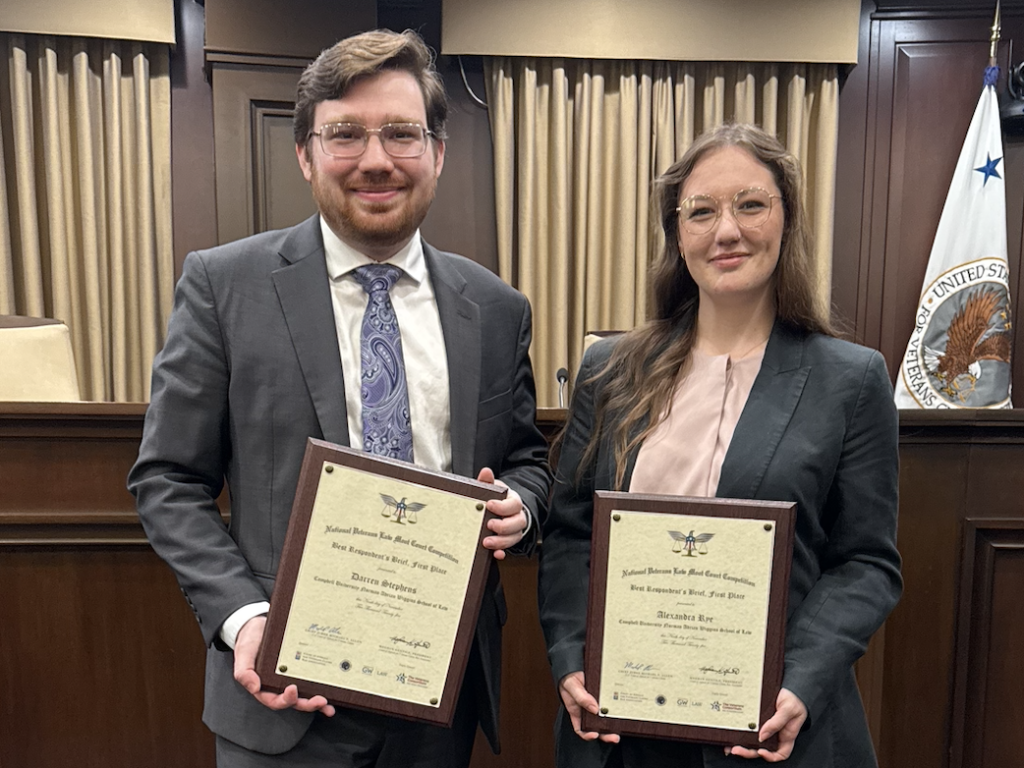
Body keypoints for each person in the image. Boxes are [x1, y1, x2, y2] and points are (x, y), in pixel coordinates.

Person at [129, 29, 551, 768]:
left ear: (438, 152)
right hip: (281, 696)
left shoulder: (495, 306)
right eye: (346, 134)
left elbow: (525, 458)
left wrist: (521, 504)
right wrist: (246, 620)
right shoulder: (223, 285)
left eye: (401, 133)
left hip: (438, 696)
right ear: (306, 154)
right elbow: (169, 480)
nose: (377, 159)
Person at [537, 123, 902, 767]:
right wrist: (569, 658)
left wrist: (800, 680)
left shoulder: (851, 379)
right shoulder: (609, 369)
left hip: (768, 732)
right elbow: (571, 536)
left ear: (786, 219)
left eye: (751, 204)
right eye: (700, 212)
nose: (726, 231)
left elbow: (867, 563)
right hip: (620, 728)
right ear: (678, 235)